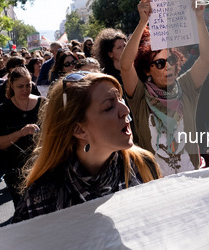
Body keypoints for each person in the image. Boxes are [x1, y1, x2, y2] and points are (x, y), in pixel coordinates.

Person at [12, 72, 161, 222]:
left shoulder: (143, 165)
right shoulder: (43, 195)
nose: (125, 110)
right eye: (109, 107)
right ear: (79, 130)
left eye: (120, 98)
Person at [120, 0, 209, 176]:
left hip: (192, 178)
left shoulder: (186, 86)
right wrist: (143, 22)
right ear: (147, 69)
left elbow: (207, 59)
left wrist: (199, 19)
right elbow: (125, 66)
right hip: (155, 185)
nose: (168, 66)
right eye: (160, 63)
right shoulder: (140, 95)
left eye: (171, 59)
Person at [0, 67, 43, 207]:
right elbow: (0, 143)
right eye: (20, 86)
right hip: (16, 170)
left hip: (42, 165)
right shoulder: (4, 109)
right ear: (11, 86)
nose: (25, 90)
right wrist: (21, 132)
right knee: (24, 209)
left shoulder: (42, 103)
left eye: (28, 85)